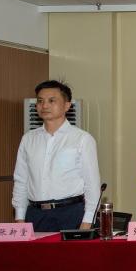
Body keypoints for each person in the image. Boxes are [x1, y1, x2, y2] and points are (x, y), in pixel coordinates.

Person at [12, 80, 101, 232]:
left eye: (51, 101)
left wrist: (87, 222)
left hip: (71, 214)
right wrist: (20, 218)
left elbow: (92, 185)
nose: (44, 105)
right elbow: (21, 180)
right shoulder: (28, 139)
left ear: (67, 105)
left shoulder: (82, 139)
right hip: (35, 214)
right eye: (40, 101)